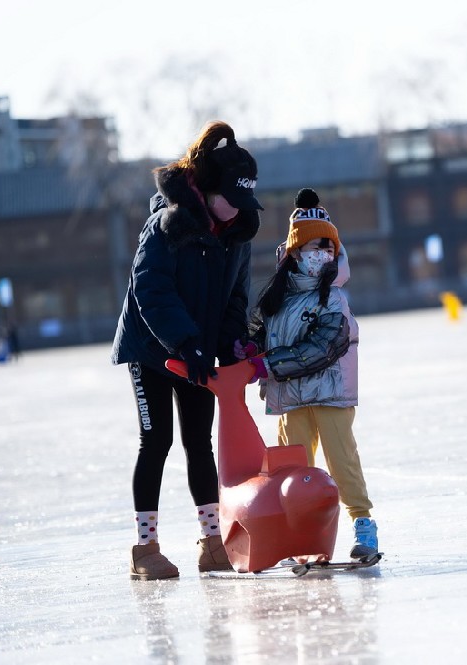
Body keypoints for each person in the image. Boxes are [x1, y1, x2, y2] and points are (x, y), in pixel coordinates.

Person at [111, 121, 263, 580]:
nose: (237, 212)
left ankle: (212, 542)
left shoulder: (234, 234)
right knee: (156, 441)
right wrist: (185, 343)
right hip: (152, 348)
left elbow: (235, 298)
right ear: (210, 190)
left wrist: (233, 348)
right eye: (230, 202)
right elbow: (150, 289)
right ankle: (145, 548)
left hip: (196, 352)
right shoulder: (167, 225)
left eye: (243, 204)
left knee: (200, 442)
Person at [242, 187, 379, 560]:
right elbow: (257, 333)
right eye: (313, 247)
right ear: (294, 252)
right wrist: (248, 352)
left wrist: (268, 365)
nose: (322, 254)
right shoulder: (276, 298)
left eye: (328, 247)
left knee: (341, 461)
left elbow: (323, 348)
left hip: (331, 394)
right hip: (290, 399)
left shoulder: (334, 298)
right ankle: (304, 534)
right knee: (294, 469)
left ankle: (363, 524)